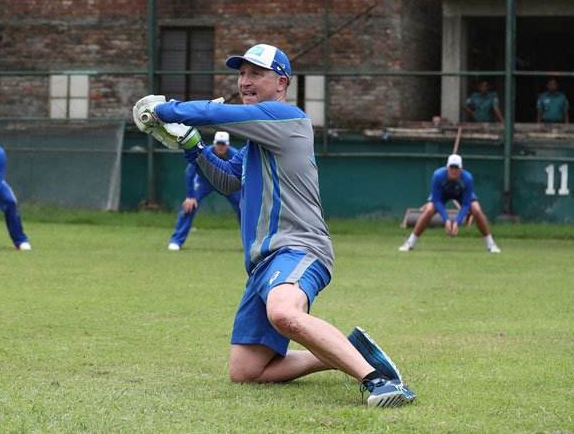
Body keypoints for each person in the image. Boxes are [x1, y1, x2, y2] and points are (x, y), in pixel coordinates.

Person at [134, 44, 416, 408]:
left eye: (256, 74)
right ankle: (351, 352)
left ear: (281, 82)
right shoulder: (256, 141)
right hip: (264, 263)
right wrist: (192, 146)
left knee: (283, 312)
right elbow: (228, 180)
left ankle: (380, 382)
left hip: (298, 247)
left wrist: (163, 109)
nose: (245, 81)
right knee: (247, 371)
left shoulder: (285, 118)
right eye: (241, 74)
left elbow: (212, 113)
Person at [399, 153, 500, 253]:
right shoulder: (438, 175)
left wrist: (457, 222)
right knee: (429, 210)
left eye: (457, 168)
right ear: (447, 167)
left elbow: (465, 204)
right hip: (442, 195)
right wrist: (446, 220)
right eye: (451, 167)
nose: (454, 170)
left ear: (461, 169)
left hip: (461, 195)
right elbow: (437, 200)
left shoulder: (468, 178)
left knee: (477, 210)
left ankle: (491, 244)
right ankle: (410, 243)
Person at [168, 131, 242, 251]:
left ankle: (251, 243)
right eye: (218, 143)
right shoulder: (206, 151)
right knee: (189, 206)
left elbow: (245, 175)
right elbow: (189, 173)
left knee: (244, 207)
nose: (220, 146)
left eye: (223, 144)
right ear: (214, 143)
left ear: (228, 145)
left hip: (229, 183)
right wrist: (191, 196)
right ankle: (176, 241)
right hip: (205, 182)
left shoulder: (235, 154)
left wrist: (244, 197)